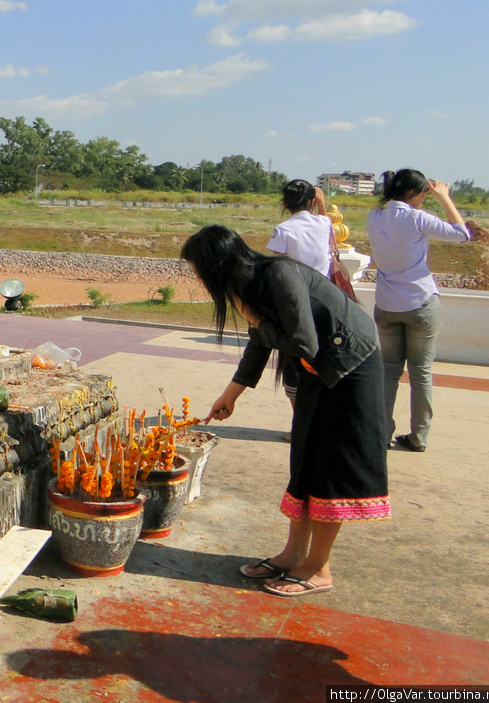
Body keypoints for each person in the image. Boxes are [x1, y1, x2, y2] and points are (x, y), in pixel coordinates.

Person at [182, 225, 389, 597]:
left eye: (199, 270)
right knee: (305, 459)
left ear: (215, 265)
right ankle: (294, 555)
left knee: (330, 467)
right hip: (321, 371)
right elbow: (260, 344)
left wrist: (259, 322)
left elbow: (304, 343)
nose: (198, 279)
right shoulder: (248, 286)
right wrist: (231, 394)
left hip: (350, 368)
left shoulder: (277, 273)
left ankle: (319, 567)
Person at [366, 169, 471, 452]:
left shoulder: (374, 217)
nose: (427, 199)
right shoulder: (417, 218)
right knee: (420, 373)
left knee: (388, 372)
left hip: (387, 304)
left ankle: (381, 432)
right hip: (420, 303)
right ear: (413, 193)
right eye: (425, 194)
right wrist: (445, 197)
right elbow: (462, 234)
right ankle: (418, 436)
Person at [267, 180, 334, 440]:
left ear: (285, 203)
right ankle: (320, 422)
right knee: (320, 364)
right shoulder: (323, 223)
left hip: (293, 307)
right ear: (312, 201)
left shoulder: (283, 230)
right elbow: (327, 227)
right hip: (323, 303)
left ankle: (302, 426)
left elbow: (275, 269)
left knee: (294, 369)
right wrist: (323, 205)